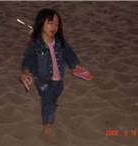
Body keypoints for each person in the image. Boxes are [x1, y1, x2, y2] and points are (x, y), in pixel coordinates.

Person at [20, 8, 90, 137]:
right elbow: (28, 58)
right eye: (50, 23)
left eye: (57, 24)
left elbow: (69, 54)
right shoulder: (35, 44)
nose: (54, 27)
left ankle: (52, 105)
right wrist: (25, 71)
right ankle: (48, 125)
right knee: (47, 100)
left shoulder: (60, 42)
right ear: (41, 24)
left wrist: (75, 65)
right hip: (43, 80)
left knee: (55, 95)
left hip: (58, 80)